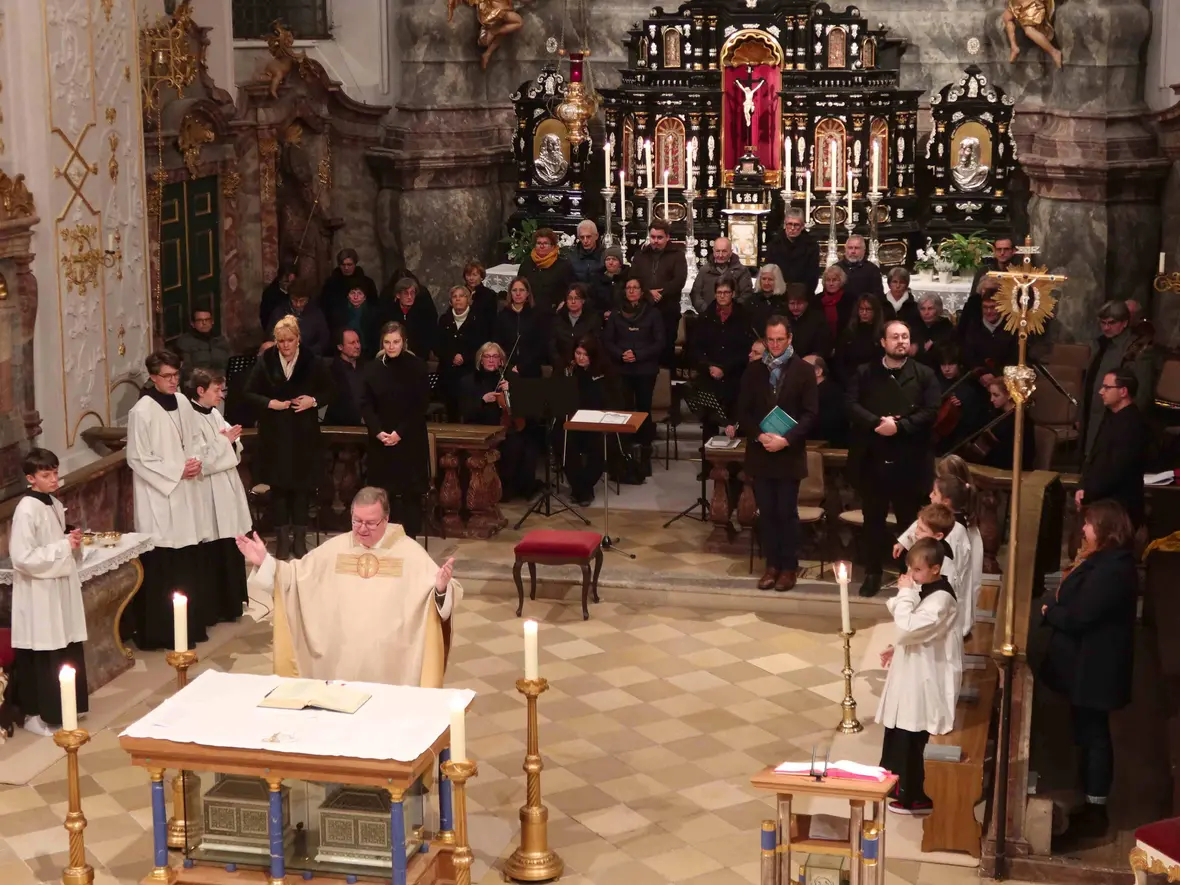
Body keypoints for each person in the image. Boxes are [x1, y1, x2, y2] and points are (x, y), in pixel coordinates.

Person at [237, 486, 461, 686]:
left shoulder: (409, 553)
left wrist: (441, 589)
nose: (362, 529)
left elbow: (439, 599)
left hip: (391, 665)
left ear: (386, 518)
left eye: (371, 523)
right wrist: (264, 561)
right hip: (339, 661)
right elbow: (293, 578)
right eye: (356, 521)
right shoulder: (336, 548)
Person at [1039, 499, 1137, 847]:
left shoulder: (1114, 570)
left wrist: (1051, 611)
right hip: (1087, 665)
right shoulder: (1104, 562)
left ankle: (1097, 810)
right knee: (1086, 731)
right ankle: (1087, 796)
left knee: (1095, 735)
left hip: (1098, 669)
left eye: (1090, 524)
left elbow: (1080, 616)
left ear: (1108, 531)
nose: (1084, 529)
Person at [126, 350, 217, 649]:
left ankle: (191, 627)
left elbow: (195, 440)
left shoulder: (181, 402)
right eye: (167, 376)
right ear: (152, 377)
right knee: (166, 563)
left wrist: (196, 461)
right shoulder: (141, 412)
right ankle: (162, 632)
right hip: (160, 499)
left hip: (187, 492)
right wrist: (178, 469)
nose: (173, 381)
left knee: (188, 560)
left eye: (176, 375)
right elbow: (137, 458)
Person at [846, 320, 941, 597]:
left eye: (905, 336)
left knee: (908, 523)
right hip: (873, 458)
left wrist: (899, 427)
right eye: (895, 337)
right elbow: (850, 404)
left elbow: (932, 410)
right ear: (883, 342)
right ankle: (873, 572)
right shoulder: (865, 373)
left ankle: (908, 575)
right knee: (872, 521)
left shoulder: (924, 374)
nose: (901, 341)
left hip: (909, 460)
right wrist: (877, 422)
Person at [876, 537, 963, 815]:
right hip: (914, 668)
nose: (911, 577)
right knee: (901, 728)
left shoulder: (941, 599)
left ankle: (915, 796)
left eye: (917, 571)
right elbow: (912, 631)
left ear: (935, 569)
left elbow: (908, 627)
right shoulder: (929, 588)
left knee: (913, 733)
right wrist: (896, 647)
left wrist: (905, 594)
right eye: (910, 570)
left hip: (926, 677)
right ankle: (899, 785)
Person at [737, 315, 819, 592]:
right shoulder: (753, 370)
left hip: (788, 453)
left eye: (779, 340)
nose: (774, 344)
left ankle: (788, 566)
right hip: (761, 451)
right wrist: (759, 435)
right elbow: (743, 411)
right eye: (770, 339)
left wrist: (786, 440)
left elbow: (810, 414)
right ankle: (771, 565)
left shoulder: (803, 371)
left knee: (786, 512)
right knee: (767, 513)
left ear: (790, 339)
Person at [9, 448, 87, 737]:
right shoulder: (26, 509)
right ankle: (40, 714)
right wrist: (63, 546)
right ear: (31, 478)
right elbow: (22, 557)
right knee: (45, 650)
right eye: (46, 475)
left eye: (55, 472)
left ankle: (68, 705)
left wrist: (72, 542)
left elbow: (57, 543)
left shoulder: (52, 502)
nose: (54, 479)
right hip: (39, 592)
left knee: (64, 642)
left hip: (58, 586)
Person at [243, 316, 335, 560]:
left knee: (302, 489)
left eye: (290, 341)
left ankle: (300, 541)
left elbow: (330, 390)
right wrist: (270, 403)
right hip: (275, 435)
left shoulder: (312, 361)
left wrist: (312, 401)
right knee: (280, 489)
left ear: (298, 339)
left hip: (304, 435)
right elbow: (249, 392)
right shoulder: (267, 360)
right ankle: (283, 541)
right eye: (281, 341)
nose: (285, 346)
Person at [185, 368, 252, 625]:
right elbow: (200, 460)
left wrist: (231, 441)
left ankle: (232, 602)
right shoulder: (189, 418)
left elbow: (234, 446)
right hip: (207, 491)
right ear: (200, 391)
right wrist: (224, 442)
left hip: (226, 487)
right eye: (216, 390)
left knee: (230, 543)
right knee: (214, 546)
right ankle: (216, 606)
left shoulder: (213, 413)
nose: (221, 396)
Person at [360, 322, 432, 539]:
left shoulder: (417, 366)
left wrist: (399, 433)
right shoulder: (372, 368)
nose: (391, 347)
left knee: (411, 493)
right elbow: (365, 403)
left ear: (404, 342)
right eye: (387, 342)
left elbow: (420, 405)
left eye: (396, 342)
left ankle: (410, 539)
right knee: (382, 492)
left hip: (409, 438)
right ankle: (381, 537)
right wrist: (378, 431)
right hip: (381, 439)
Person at [460, 342, 538, 501]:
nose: (490, 360)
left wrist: (513, 390)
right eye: (487, 356)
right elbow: (464, 411)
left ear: (501, 361)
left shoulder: (511, 378)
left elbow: (527, 408)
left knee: (520, 444)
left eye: (495, 356)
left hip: (507, 427)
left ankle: (508, 488)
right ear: (480, 360)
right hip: (480, 428)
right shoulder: (469, 381)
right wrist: (482, 400)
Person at [603, 277, 666, 475]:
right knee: (624, 410)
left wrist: (637, 355)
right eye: (628, 287)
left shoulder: (653, 314)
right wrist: (622, 354)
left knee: (643, 410)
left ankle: (644, 455)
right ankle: (625, 454)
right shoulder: (615, 314)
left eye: (635, 288)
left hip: (645, 369)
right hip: (622, 369)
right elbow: (608, 341)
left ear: (642, 291)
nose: (631, 291)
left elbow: (659, 342)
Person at [1080, 300, 1155, 459]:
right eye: (1103, 323)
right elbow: (1089, 382)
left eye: (1111, 323)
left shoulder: (1137, 349)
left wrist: (1127, 424)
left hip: (1117, 425)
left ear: (1124, 323)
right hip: (1091, 419)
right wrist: (1079, 415)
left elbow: (1142, 395)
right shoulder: (1100, 345)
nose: (1106, 327)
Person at [1077, 368, 1149, 528]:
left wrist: (1088, 493)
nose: (1101, 391)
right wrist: (1083, 486)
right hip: (1102, 501)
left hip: (1119, 508)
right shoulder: (1111, 417)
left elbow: (1116, 469)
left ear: (1123, 391)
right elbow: (1095, 457)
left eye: (1107, 387)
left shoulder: (1132, 424)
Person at [562, 337, 624, 505]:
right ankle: (578, 486)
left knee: (599, 444)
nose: (580, 358)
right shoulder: (569, 371)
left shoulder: (607, 372)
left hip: (598, 421)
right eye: (577, 353)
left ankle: (585, 487)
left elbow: (614, 400)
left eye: (585, 354)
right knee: (563, 440)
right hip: (573, 420)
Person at [894, 501, 970, 634]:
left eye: (922, 530)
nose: (916, 533)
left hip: (931, 628)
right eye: (917, 527)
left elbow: (938, 604)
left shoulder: (944, 563)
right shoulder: (924, 548)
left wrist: (907, 592)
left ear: (938, 536)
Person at [690, 275, 754, 429]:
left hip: (734, 376)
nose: (722, 296)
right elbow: (695, 347)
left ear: (733, 293)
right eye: (719, 292)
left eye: (726, 292)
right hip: (709, 376)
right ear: (714, 294)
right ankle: (708, 450)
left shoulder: (744, 316)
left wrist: (725, 368)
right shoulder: (705, 316)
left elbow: (747, 349)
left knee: (734, 423)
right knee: (709, 423)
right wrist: (710, 367)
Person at [628, 219, 686, 366]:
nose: (655, 241)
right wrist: (648, 292)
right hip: (644, 311)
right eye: (652, 237)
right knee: (644, 348)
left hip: (668, 311)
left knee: (666, 350)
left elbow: (679, 281)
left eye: (659, 237)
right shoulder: (641, 255)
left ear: (667, 237)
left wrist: (661, 293)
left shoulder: (677, 255)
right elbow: (633, 278)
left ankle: (665, 387)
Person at [436, 286, 488, 421]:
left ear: (469, 300)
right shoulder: (444, 320)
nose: (458, 299)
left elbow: (482, 345)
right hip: (448, 371)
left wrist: (464, 357)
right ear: (450, 301)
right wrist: (451, 357)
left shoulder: (479, 320)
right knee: (451, 411)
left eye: (462, 296)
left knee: (470, 410)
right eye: (454, 296)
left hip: (470, 371)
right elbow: (437, 344)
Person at [932, 344, 988, 455]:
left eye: (951, 364)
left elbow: (974, 420)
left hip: (957, 440)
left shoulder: (968, 389)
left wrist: (960, 408)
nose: (947, 369)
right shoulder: (934, 383)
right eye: (943, 365)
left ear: (959, 365)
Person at [976, 377, 1036, 470]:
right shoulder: (997, 414)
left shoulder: (1022, 420)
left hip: (1012, 471)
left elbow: (1018, 455)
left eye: (996, 395)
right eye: (991, 394)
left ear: (1009, 395)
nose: (991, 399)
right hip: (993, 466)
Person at [494, 277, 549, 377]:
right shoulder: (502, 315)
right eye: (514, 290)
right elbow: (498, 342)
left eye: (522, 290)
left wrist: (522, 366)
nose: (518, 294)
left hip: (531, 368)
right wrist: (508, 364)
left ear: (528, 293)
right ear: (510, 293)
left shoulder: (537, 315)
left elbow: (540, 344)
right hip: (508, 368)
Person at [960, 287, 1018, 382]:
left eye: (992, 307)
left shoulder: (1012, 327)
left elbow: (1014, 358)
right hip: (978, 380)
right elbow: (968, 355)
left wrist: (996, 375)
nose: (988, 312)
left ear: (1001, 307)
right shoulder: (974, 326)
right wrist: (981, 375)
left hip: (1005, 380)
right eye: (985, 307)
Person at [963, 234, 1016, 334]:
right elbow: (973, 300)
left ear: (1013, 251)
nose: (1002, 253)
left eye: (1006, 249)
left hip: (1010, 320)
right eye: (999, 249)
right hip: (985, 319)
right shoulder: (984, 271)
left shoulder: (1019, 272)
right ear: (994, 252)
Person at [265, 281, 332, 358]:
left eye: (302, 301)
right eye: (294, 300)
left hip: (310, 358)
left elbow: (324, 339)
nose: (298, 304)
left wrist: (308, 352)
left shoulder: (316, 313)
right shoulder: (279, 313)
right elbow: (270, 337)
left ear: (308, 299)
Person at [765, 208, 820, 300]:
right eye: (789, 224)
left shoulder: (811, 246)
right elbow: (769, 271)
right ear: (784, 225)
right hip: (777, 294)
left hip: (802, 295)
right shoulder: (774, 244)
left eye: (796, 225)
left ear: (802, 226)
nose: (792, 228)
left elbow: (813, 276)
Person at [519, 226, 576, 315]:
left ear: (553, 246)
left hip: (554, 313)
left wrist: (564, 303)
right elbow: (519, 285)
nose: (541, 246)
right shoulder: (526, 264)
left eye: (545, 243)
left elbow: (572, 289)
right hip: (528, 311)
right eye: (538, 243)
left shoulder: (563, 265)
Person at [689, 237, 752, 314]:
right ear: (713, 251)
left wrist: (731, 310)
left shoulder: (741, 271)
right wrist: (706, 310)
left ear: (731, 252)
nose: (720, 255)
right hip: (708, 317)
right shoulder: (704, 270)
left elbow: (746, 295)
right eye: (718, 251)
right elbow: (696, 294)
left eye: (724, 251)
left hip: (734, 317)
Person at [320, 248, 379, 329]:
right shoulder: (331, 283)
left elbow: (374, 305)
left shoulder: (367, 283)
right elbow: (324, 306)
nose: (346, 268)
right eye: (343, 265)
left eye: (349, 264)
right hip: (337, 326)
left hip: (364, 325)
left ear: (355, 264)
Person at [835, 294, 884, 383]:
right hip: (849, 381)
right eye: (861, 309)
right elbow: (839, 361)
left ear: (875, 311)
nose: (864, 313)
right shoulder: (848, 333)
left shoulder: (881, 334)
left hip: (874, 382)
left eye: (868, 309)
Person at [550, 284, 602, 368]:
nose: (573, 302)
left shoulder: (593, 320)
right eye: (570, 298)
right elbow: (551, 346)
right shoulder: (557, 320)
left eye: (577, 298)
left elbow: (597, 345)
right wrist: (560, 362)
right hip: (561, 367)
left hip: (586, 367)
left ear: (583, 300)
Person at [385, 277, 437, 360]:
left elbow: (428, 337)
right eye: (406, 293)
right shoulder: (388, 313)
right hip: (393, 357)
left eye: (412, 293)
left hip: (418, 358)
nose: (410, 297)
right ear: (398, 295)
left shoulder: (424, 313)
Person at [174, 305, 232, 376]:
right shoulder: (184, 342)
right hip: (199, 382)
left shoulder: (220, 339)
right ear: (193, 324)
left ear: (212, 322)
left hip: (223, 380)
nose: (204, 323)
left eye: (207, 320)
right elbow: (187, 370)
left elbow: (230, 363)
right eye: (200, 320)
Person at [324, 328, 366, 426]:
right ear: (340, 347)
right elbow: (333, 404)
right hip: (340, 426)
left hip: (368, 426)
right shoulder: (331, 371)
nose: (357, 346)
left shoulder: (367, 367)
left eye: (358, 342)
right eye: (352, 343)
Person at [803, 355, 846, 447]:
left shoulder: (831, 392)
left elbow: (826, 425)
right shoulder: (811, 392)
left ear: (818, 371)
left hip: (827, 445)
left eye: (802, 369)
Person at [329, 283, 381, 359]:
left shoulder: (373, 313)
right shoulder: (339, 313)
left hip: (367, 353)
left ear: (365, 297)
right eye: (352, 293)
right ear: (347, 296)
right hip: (345, 353)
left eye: (359, 293)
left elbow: (376, 337)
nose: (356, 297)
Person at [883, 268, 923, 353]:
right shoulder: (880, 303)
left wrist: (914, 343)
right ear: (889, 284)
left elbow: (918, 328)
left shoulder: (914, 306)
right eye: (894, 282)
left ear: (907, 284)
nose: (897, 286)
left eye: (901, 282)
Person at [785, 289, 832, 360]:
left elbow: (823, 348)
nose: (795, 307)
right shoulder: (782, 318)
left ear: (806, 303)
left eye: (799, 303)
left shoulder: (818, 319)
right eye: (792, 303)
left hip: (810, 363)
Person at [819, 265, 856, 354]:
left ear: (841, 281)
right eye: (828, 280)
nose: (831, 283)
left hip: (845, 347)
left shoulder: (850, 299)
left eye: (834, 280)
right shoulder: (817, 301)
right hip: (822, 346)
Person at [837, 234, 884, 301]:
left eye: (857, 248)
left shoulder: (872, 269)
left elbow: (878, 295)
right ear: (845, 250)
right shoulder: (837, 268)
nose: (853, 251)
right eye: (850, 248)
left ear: (864, 251)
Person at [915, 294, 956, 369]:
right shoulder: (914, 324)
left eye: (930, 309)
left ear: (938, 310)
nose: (926, 313)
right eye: (922, 309)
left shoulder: (946, 326)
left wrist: (934, 342)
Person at [464, 260, 501, 329]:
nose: (471, 278)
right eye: (468, 275)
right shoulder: (459, 292)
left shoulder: (489, 295)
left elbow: (492, 320)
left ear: (481, 277)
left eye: (474, 275)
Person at [259, 264, 296, 333]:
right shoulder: (270, 294)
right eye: (286, 282)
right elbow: (265, 318)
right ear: (280, 279)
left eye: (292, 282)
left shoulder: (297, 291)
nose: (289, 285)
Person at [592, 246, 628, 315]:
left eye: (614, 259)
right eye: (608, 259)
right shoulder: (597, 279)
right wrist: (603, 313)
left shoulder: (627, 278)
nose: (610, 262)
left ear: (620, 263)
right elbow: (593, 303)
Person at [569, 219, 605, 285]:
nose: (585, 241)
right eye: (582, 237)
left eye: (588, 237)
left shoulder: (605, 255)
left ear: (596, 236)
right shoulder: (571, 256)